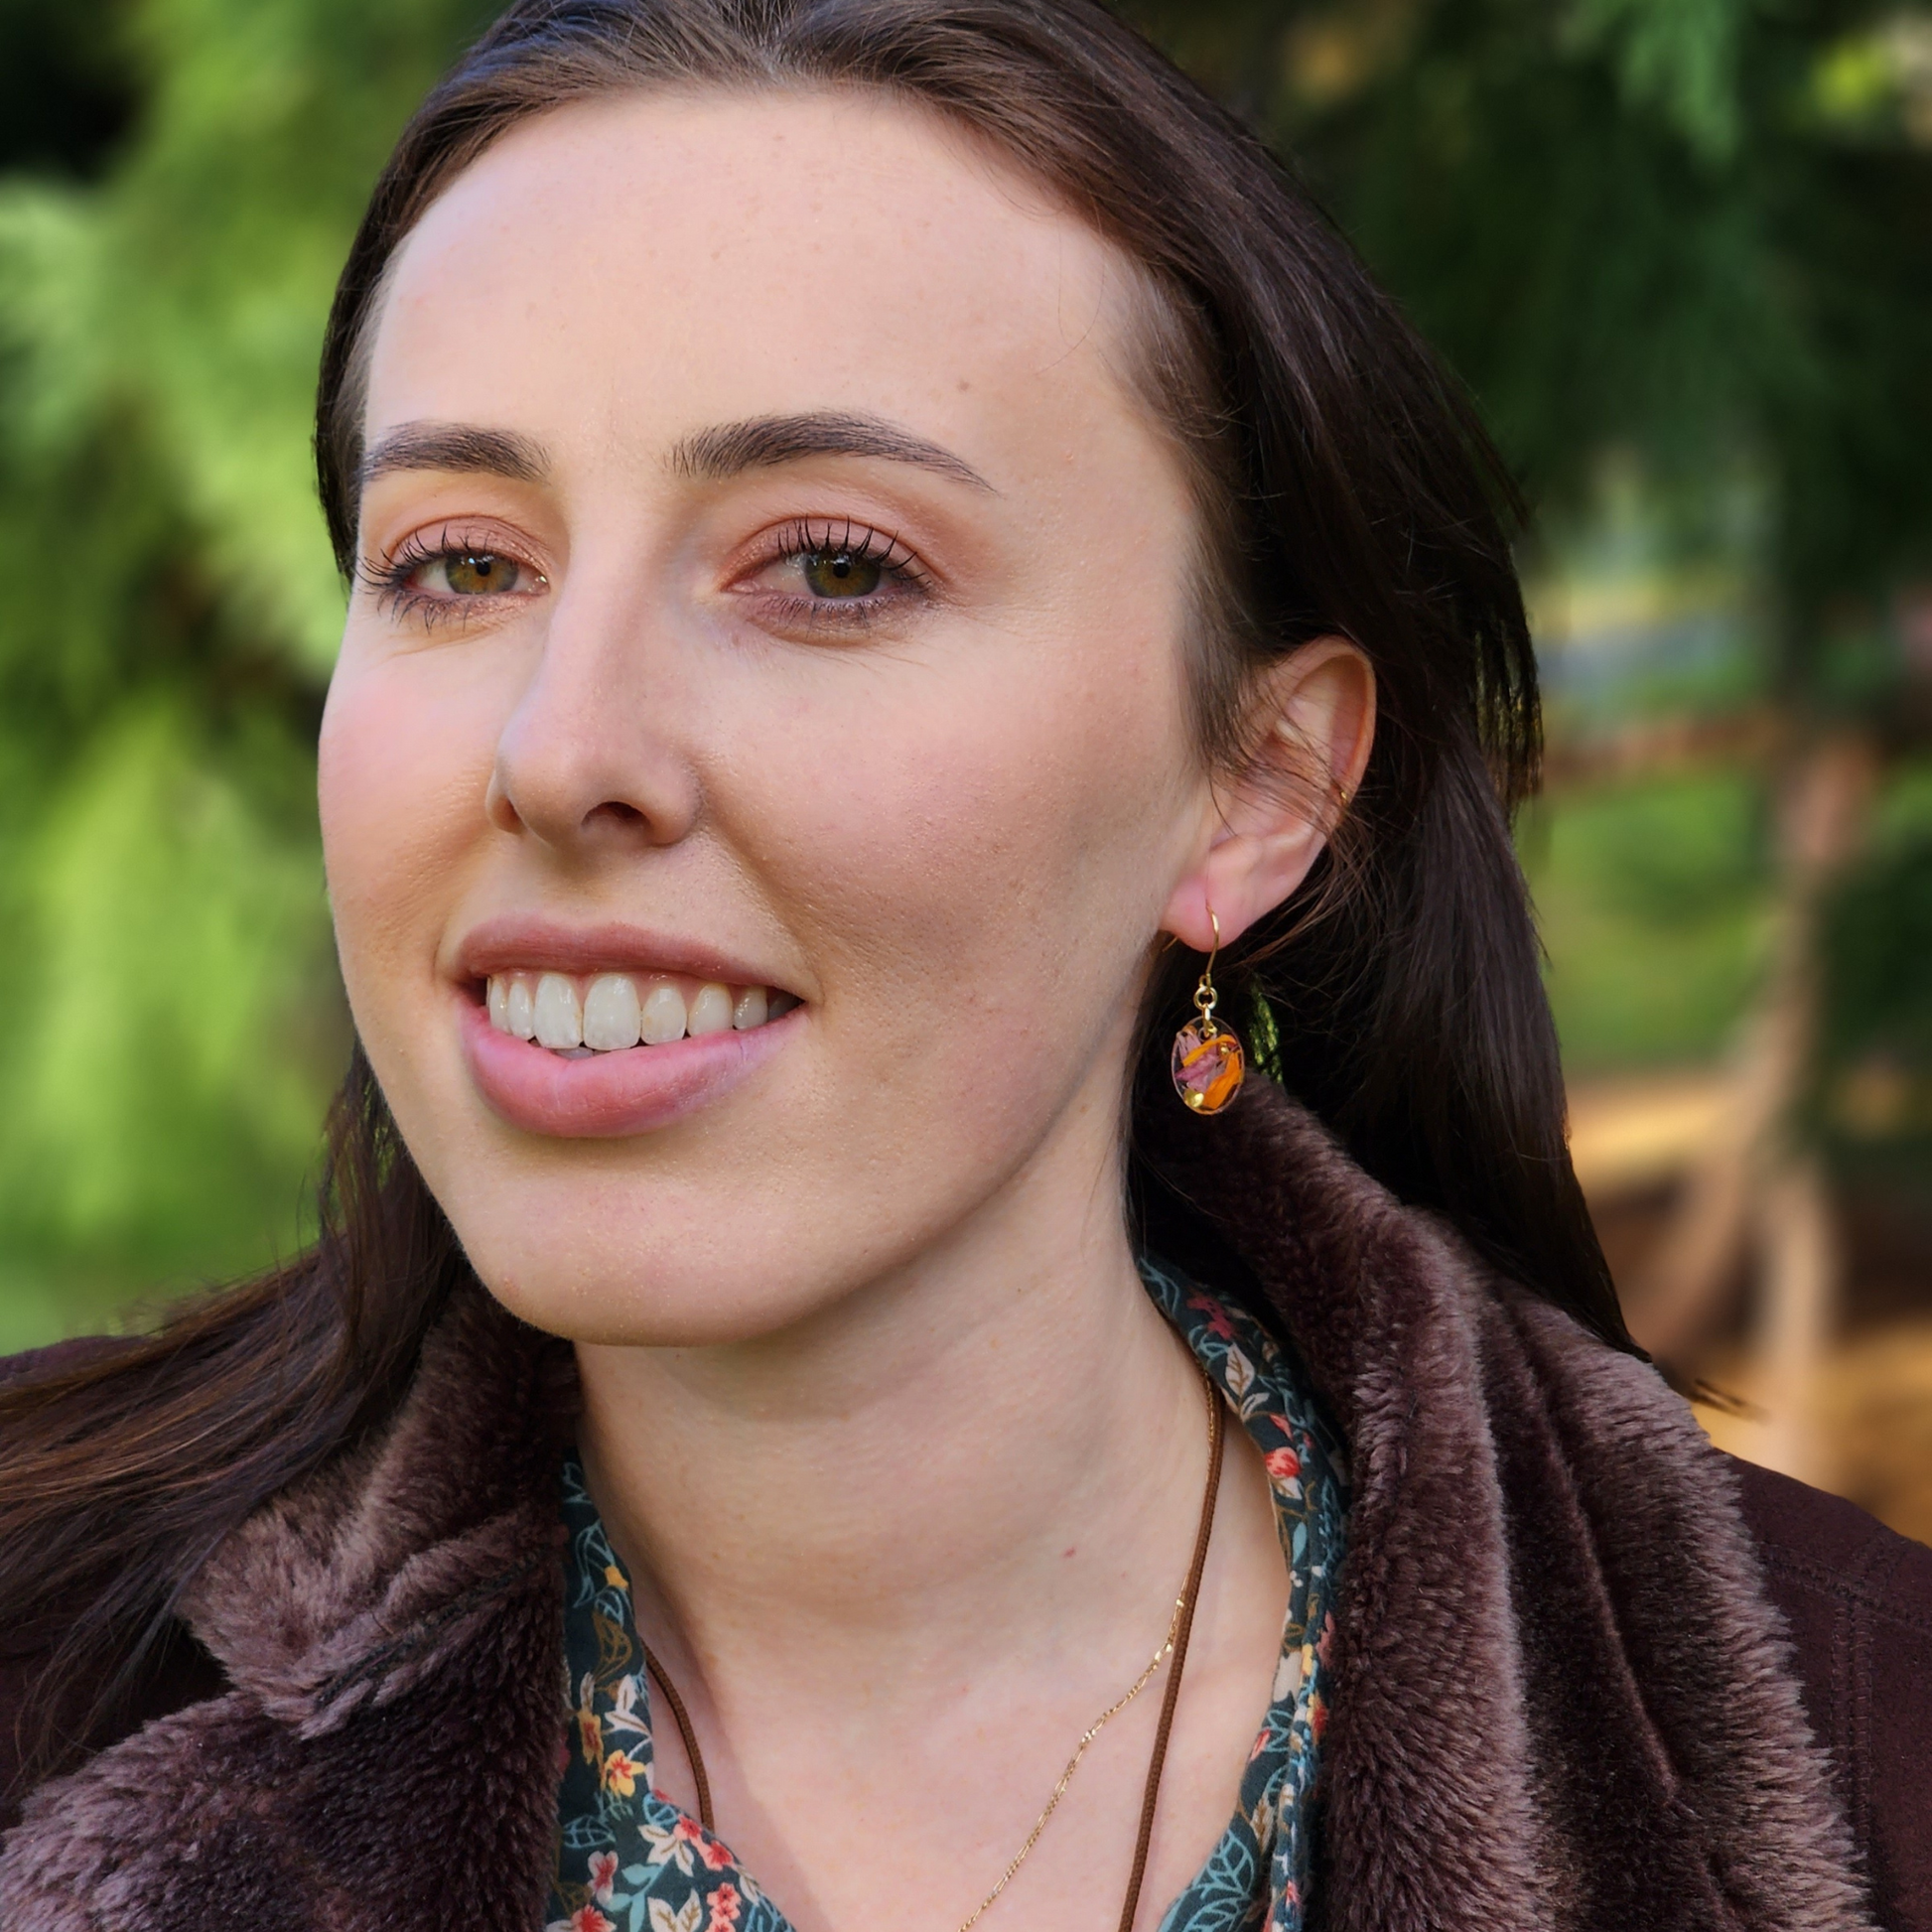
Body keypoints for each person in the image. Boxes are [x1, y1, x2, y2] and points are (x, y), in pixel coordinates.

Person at [0, 3, 1926, 1927]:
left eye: (831, 566)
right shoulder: (44, 1670)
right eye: (458, 563)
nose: (560, 747)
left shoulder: (1866, 1754)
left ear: (1254, 788)